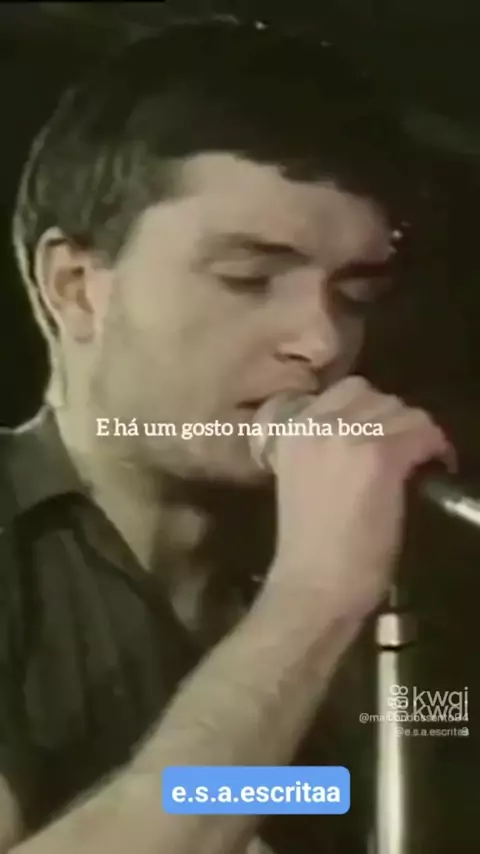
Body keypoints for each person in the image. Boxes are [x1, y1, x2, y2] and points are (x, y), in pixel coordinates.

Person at [0, 17, 451, 854]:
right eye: (249, 279)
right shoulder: (330, 574)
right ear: (76, 287)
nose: (321, 342)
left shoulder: (392, 561)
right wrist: (313, 599)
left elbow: (418, 789)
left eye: (354, 296)